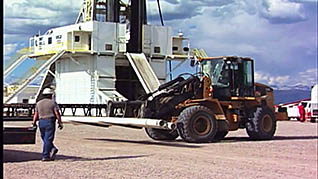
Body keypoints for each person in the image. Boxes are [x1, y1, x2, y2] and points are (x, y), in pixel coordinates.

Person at [32, 88, 63, 161]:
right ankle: (46, 155)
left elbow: (36, 114)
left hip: (41, 122)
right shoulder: (53, 103)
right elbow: (57, 113)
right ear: (50, 95)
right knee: (48, 139)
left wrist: (33, 123)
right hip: (50, 121)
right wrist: (60, 122)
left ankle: (52, 149)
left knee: (44, 138)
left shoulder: (39, 103)